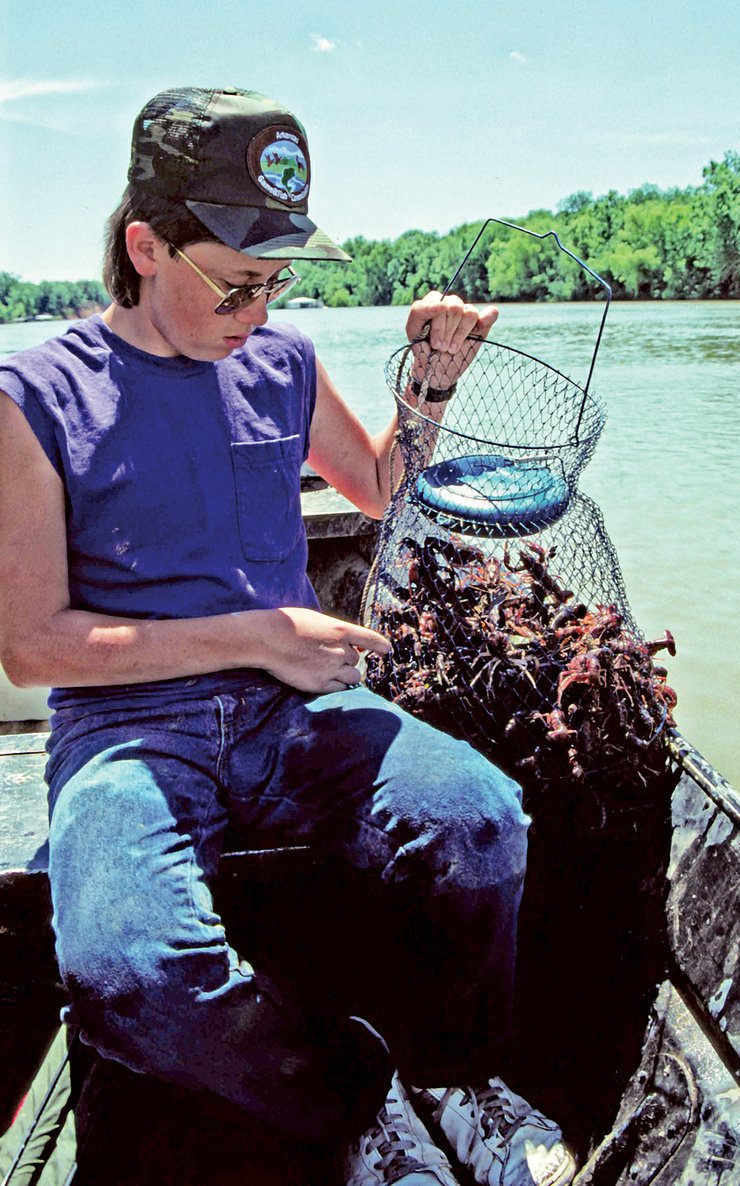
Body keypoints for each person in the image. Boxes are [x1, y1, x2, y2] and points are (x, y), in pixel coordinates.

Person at [0, 87, 576, 1186]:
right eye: (235, 281)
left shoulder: (285, 362)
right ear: (144, 243)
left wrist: (428, 387)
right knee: (126, 972)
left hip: (294, 710)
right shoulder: (30, 397)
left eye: (278, 282)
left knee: (482, 826)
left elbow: (381, 490)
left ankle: (457, 1080)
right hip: (130, 731)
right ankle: (351, 1096)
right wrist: (258, 631)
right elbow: (34, 648)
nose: (258, 309)